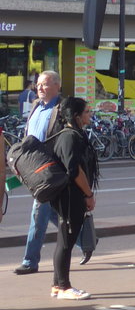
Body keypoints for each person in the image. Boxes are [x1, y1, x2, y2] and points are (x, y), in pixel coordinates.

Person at [12, 70, 96, 274]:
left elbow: (69, 137)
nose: (39, 88)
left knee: (39, 211)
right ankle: (85, 241)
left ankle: (30, 261)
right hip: (34, 166)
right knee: (53, 212)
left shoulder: (62, 108)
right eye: (38, 84)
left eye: (45, 84)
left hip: (51, 169)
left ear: (57, 86)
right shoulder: (34, 106)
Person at [47, 97, 99, 300]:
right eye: (86, 112)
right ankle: (64, 286)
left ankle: (56, 285)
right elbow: (75, 170)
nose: (89, 114)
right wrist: (89, 194)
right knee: (66, 241)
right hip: (70, 196)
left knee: (64, 239)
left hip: (69, 195)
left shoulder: (72, 134)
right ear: (77, 116)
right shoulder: (70, 137)